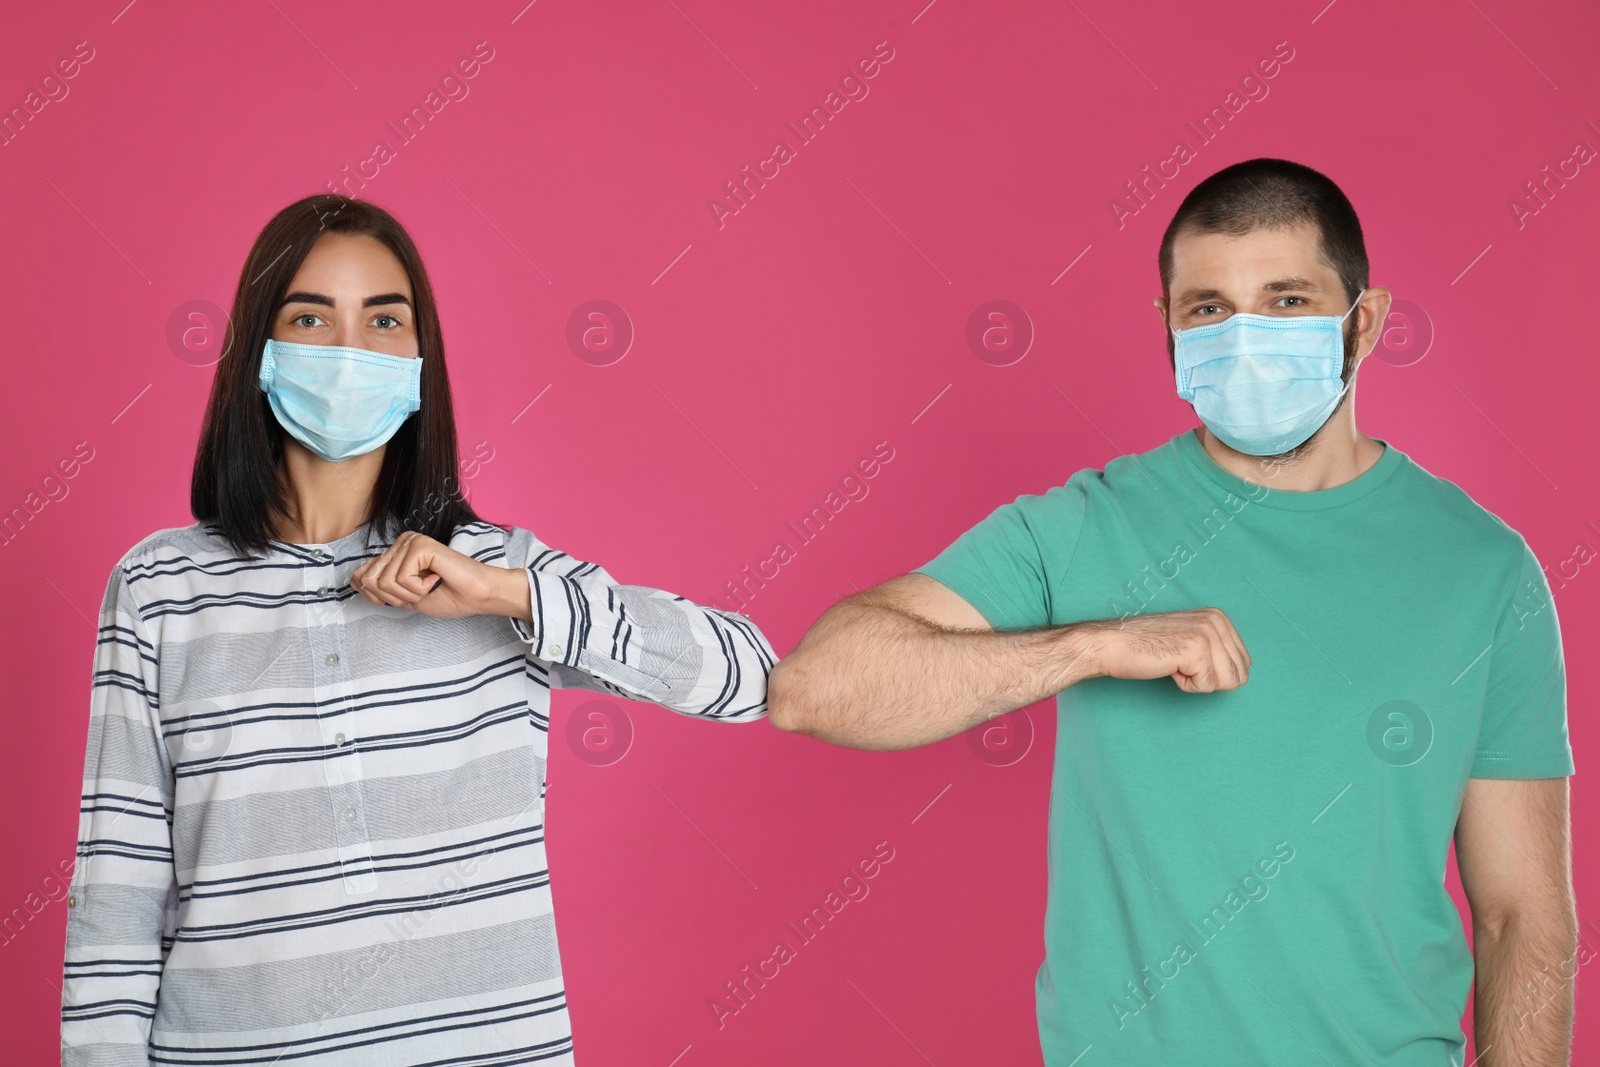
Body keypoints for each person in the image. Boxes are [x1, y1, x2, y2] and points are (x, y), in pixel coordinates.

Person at [768, 158, 1576, 1065]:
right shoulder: (1080, 526)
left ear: (1367, 322)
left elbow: (1522, 919)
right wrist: (1094, 643)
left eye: (1287, 300)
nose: (1246, 336)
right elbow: (813, 688)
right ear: (1168, 332)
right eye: (1208, 309)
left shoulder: (1482, 569)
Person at [59, 194, 775, 1066]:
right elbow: (117, 899)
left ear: (420, 360)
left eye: (384, 319)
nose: (350, 349)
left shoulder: (493, 574)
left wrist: (509, 595)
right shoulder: (159, 588)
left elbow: (750, 675)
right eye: (311, 315)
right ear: (259, 352)